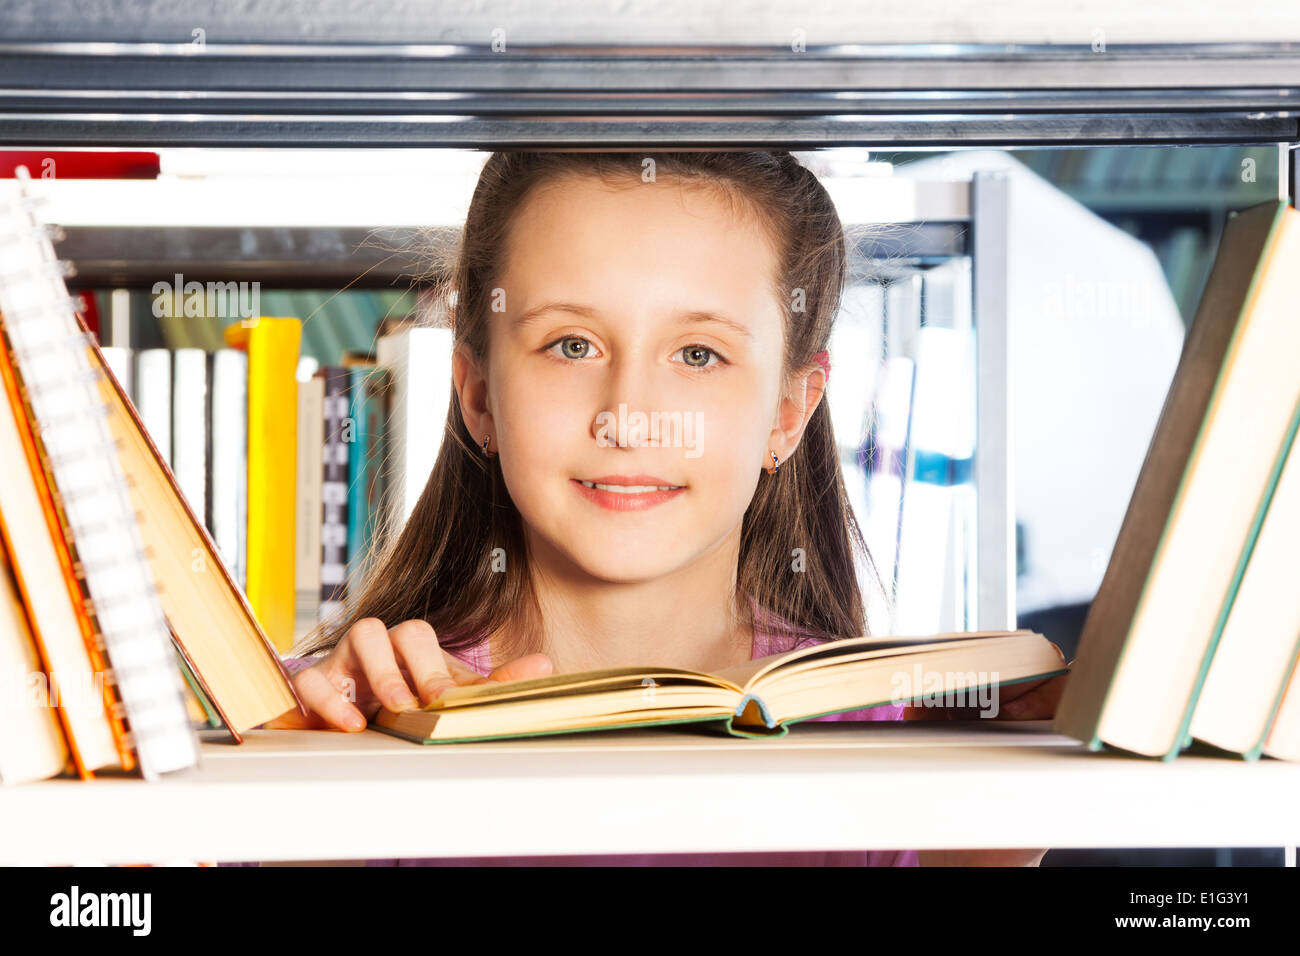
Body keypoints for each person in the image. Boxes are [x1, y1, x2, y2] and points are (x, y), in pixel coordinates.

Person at [256, 151, 1067, 867]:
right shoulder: (335, 718)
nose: (630, 416)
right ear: (477, 393)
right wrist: (306, 806)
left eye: (698, 354)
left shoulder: (903, 749)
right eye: (571, 345)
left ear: (789, 412)